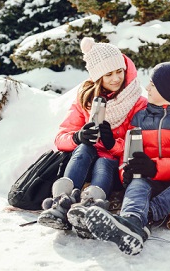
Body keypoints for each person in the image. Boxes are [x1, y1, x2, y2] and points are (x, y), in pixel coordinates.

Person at [83, 62, 170, 255]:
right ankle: (132, 222)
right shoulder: (140, 118)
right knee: (136, 175)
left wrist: (154, 167)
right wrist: (124, 171)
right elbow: (129, 156)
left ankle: (149, 214)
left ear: (168, 89)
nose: (147, 88)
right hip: (151, 180)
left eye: (153, 84)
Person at [37, 37, 148, 239]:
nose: (116, 78)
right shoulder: (85, 100)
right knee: (84, 149)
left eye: (119, 71)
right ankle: (61, 203)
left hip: (112, 167)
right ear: (98, 77)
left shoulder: (138, 103)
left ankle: (91, 208)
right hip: (82, 163)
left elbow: (137, 146)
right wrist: (78, 137)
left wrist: (112, 144)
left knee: (105, 161)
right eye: (108, 74)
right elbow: (61, 138)